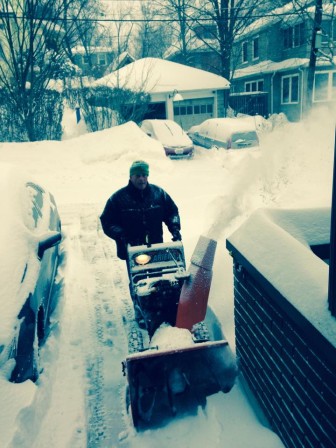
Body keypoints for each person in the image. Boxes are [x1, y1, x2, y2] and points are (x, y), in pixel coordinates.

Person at [100, 160, 182, 261]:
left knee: (157, 275)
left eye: (144, 175)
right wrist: (121, 235)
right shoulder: (118, 198)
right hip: (132, 249)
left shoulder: (159, 194)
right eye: (137, 176)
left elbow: (172, 212)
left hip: (155, 246)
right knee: (138, 276)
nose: (141, 179)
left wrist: (175, 228)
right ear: (131, 177)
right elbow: (107, 221)